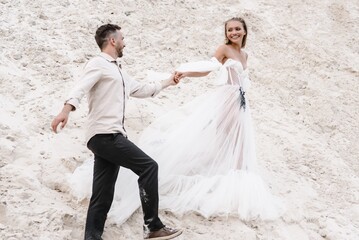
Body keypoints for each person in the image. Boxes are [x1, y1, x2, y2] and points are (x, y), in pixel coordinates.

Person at [136, 17, 284, 220]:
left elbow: (243, 80)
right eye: (230, 29)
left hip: (241, 102)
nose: (234, 32)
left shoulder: (245, 54)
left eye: (237, 29)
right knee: (233, 143)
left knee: (237, 144)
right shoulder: (224, 49)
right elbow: (208, 68)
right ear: (226, 33)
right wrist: (187, 72)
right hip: (227, 100)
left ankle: (234, 187)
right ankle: (234, 187)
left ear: (244, 31)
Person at [51, 23, 183, 240]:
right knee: (149, 167)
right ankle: (153, 226)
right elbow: (80, 88)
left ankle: (92, 237)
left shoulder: (118, 71)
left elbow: (143, 89)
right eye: (122, 38)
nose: (124, 42)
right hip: (105, 135)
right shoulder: (98, 64)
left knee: (102, 194)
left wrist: (169, 81)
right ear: (112, 40)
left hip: (107, 137)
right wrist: (66, 110)